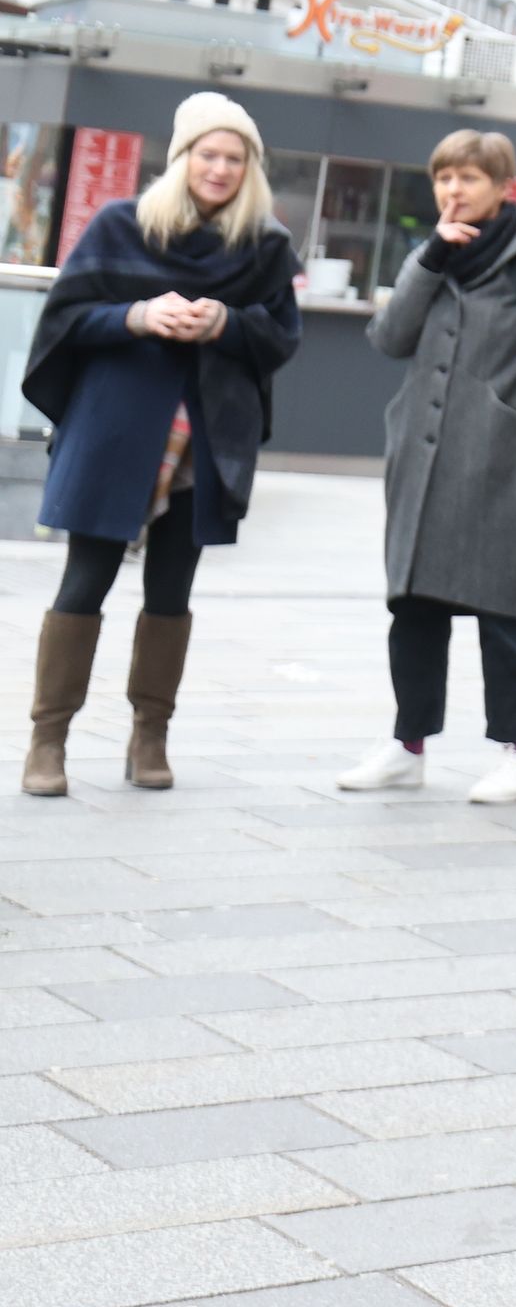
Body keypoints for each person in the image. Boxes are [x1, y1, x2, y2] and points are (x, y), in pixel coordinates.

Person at [21, 94, 305, 795]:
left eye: (235, 157)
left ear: (251, 170)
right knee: (84, 582)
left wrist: (224, 324)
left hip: (204, 438)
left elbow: (279, 337)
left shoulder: (263, 246)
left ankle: (150, 736)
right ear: (182, 159)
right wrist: (138, 315)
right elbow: (67, 318)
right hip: (115, 430)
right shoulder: (123, 224)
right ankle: (47, 742)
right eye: (208, 153)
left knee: (171, 590)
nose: (220, 168)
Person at [338, 130, 516, 806]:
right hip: (424, 456)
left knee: (506, 609)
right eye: (443, 177)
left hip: (501, 458)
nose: (453, 190)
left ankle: (514, 755)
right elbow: (388, 338)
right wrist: (431, 257)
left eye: (468, 177)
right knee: (413, 606)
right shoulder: (436, 253)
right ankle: (407, 746)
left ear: (503, 187)